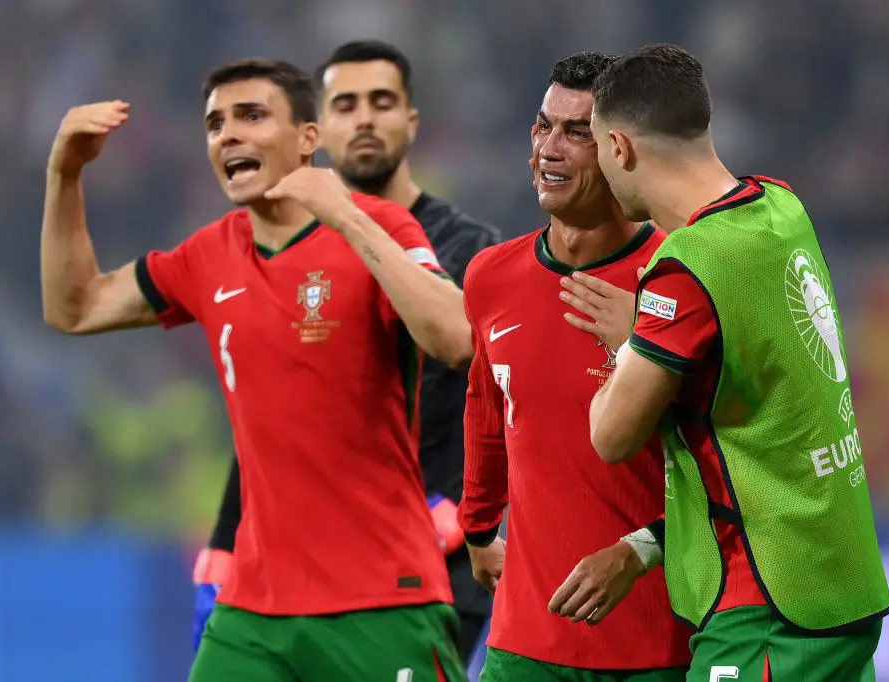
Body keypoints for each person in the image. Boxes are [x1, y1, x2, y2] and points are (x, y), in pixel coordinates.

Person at [41, 58, 471, 682]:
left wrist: (346, 215)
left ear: (306, 139)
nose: (228, 135)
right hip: (253, 609)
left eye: (251, 116)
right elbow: (74, 307)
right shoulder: (208, 255)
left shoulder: (381, 227)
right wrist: (65, 173)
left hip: (383, 595)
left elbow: (457, 338)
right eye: (216, 123)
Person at [557, 44, 889, 681]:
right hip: (839, 588)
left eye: (596, 143)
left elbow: (611, 435)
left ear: (620, 148)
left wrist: (632, 342)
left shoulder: (686, 271)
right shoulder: (782, 208)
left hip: (767, 608)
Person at [192, 40, 499, 661]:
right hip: (309, 571)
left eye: (382, 103)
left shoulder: (470, 251)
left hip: (433, 557)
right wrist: (226, 539)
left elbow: (507, 395)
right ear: (318, 130)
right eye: (346, 104)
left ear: (410, 121)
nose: (364, 118)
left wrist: (472, 513)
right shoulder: (279, 248)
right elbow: (273, 416)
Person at [458, 52, 692, 682]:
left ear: (620, 150)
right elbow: (487, 410)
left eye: (576, 132)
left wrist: (641, 550)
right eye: (542, 127)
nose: (549, 150)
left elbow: (730, 459)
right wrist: (478, 528)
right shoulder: (490, 278)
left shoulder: (683, 277)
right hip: (525, 645)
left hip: (658, 646)